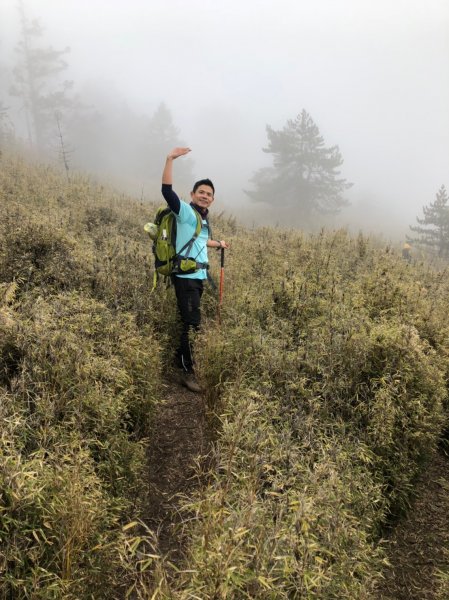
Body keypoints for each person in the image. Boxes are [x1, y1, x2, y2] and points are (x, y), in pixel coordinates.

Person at [161, 147, 229, 392]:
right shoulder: (186, 212)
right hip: (186, 278)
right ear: (192, 194)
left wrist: (218, 243)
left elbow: (200, 241)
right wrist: (170, 159)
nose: (205, 196)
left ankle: (179, 360)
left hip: (198, 277)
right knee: (193, 324)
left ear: (213, 199)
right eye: (201, 192)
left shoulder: (201, 218)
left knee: (188, 320)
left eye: (209, 194)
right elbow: (167, 191)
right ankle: (187, 373)